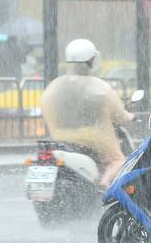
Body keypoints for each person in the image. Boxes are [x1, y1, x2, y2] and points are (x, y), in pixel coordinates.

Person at [39, 39, 134, 191]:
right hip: (94, 142)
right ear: (91, 60)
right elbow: (119, 114)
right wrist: (130, 117)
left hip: (63, 141)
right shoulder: (98, 86)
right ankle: (105, 182)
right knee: (119, 160)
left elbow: (45, 106)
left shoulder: (54, 87)